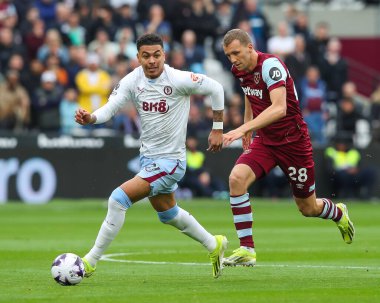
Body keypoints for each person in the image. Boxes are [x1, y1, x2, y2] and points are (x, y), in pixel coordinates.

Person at [74, 33, 227, 279]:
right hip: (149, 159)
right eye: (146, 56)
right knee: (168, 213)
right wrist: (91, 118)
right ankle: (213, 244)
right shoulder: (132, 81)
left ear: (164, 55)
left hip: (171, 162)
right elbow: (111, 108)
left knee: (117, 199)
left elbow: (216, 88)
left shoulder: (178, 78)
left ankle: (90, 261)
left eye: (157, 55)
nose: (152, 60)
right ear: (138, 58)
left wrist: (218, 129)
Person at [221, 29, 355, 267]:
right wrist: (248, 126)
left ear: (250, 48)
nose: (232, 60)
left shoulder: (271, 66)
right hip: (266, 140)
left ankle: (338, 213)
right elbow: (249, 93)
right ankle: (247, 249)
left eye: (236, 53)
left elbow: (279, 108)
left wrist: (242, 128)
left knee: (308, 207)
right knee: (236, 179)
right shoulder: (239, 69)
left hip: (293, 142)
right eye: (228, 55)